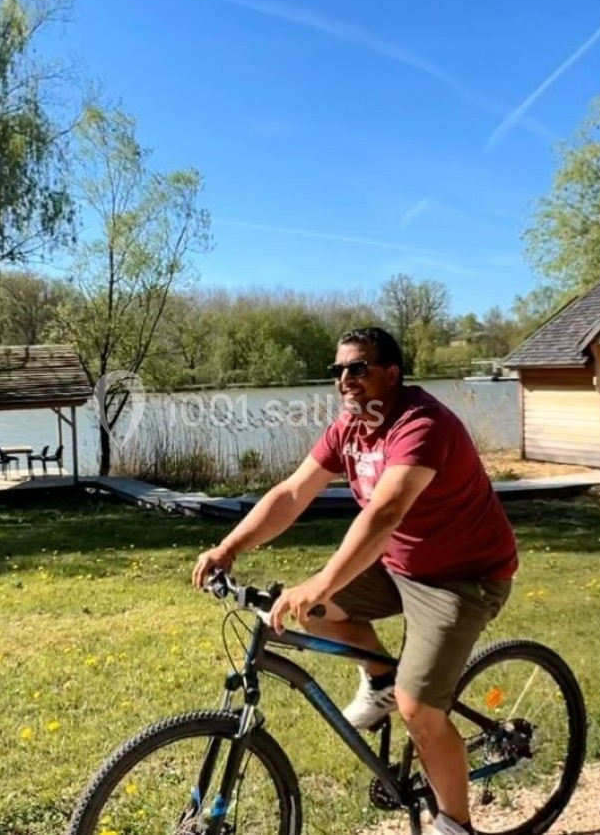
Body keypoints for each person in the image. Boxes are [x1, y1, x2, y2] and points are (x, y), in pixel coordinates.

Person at [191, 327, 518, 835]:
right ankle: (381, 679)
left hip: (462, 578)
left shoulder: (421, 423)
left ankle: (455, 826)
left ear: (392, 373)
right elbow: (292, 493)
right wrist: (228, 547)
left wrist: (323, 580)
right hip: (398, 566)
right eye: (338, 370)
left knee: (419, 710)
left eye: (358, 368)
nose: (346, 379)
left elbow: (384, 513)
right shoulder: (350, 427)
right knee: (310, 610)